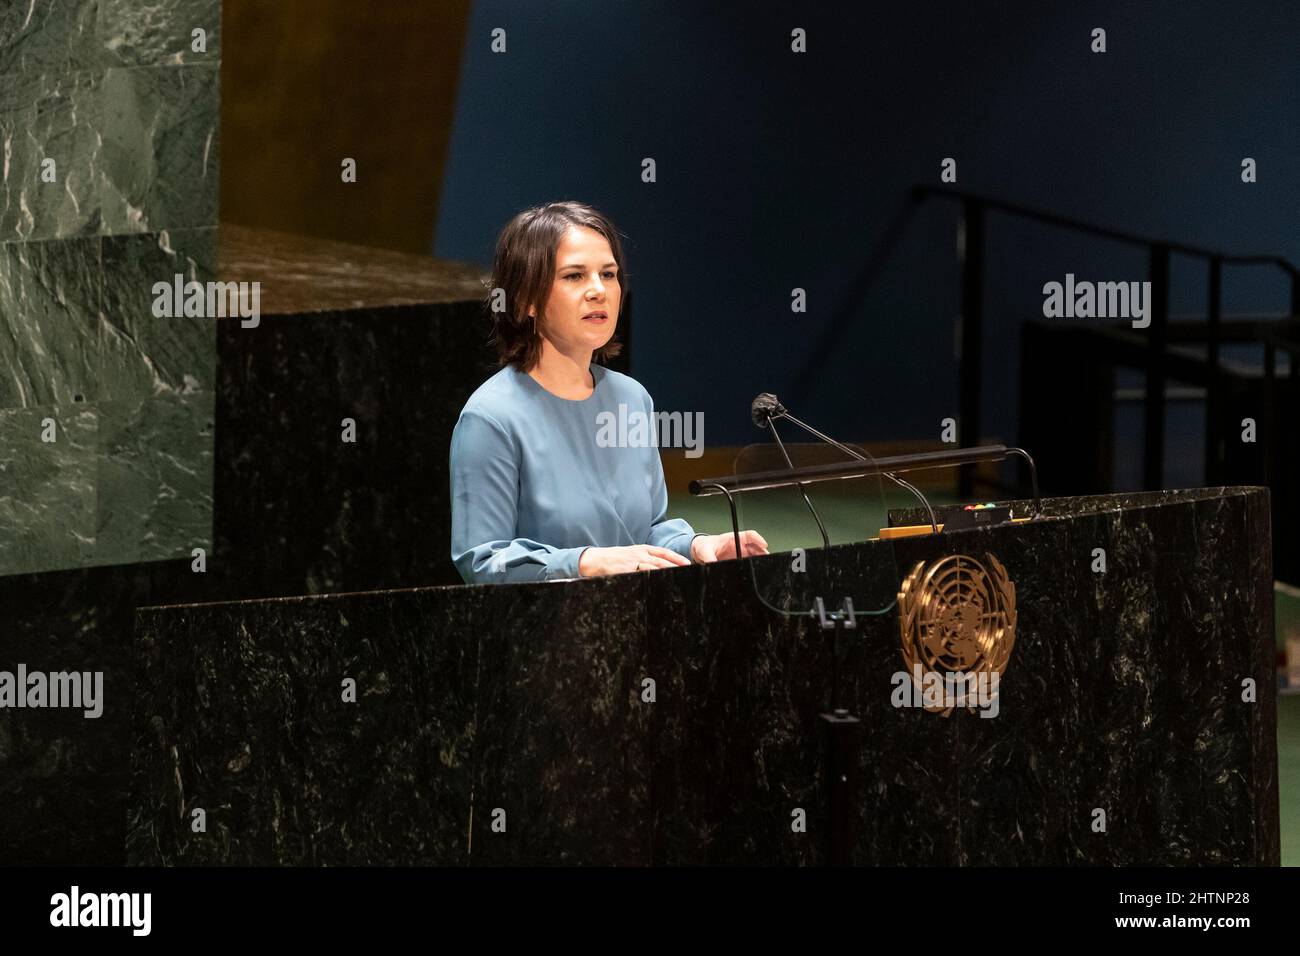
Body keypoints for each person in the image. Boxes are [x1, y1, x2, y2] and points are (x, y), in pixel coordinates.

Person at [450, 200, 768, 584]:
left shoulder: (632, 398)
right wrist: (584, 563)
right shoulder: (491, 417)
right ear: (525, 300)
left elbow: (647, 529)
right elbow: (484, 562)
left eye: (609, 274)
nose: (599, 291)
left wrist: (697, 545)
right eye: (574, 276)